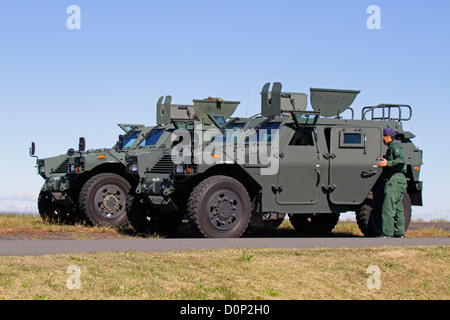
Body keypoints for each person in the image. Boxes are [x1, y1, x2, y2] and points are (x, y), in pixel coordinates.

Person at [376, 127, 407, 238]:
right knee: (398, 208)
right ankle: (399, 233)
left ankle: (387, 233)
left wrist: (387, 163)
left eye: (383, 136)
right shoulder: (392, 147)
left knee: (387, 207)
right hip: (399, 180)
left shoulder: (394, 146)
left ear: (388, 136)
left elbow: (402, 160)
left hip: (395, 180)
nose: (383, 139)